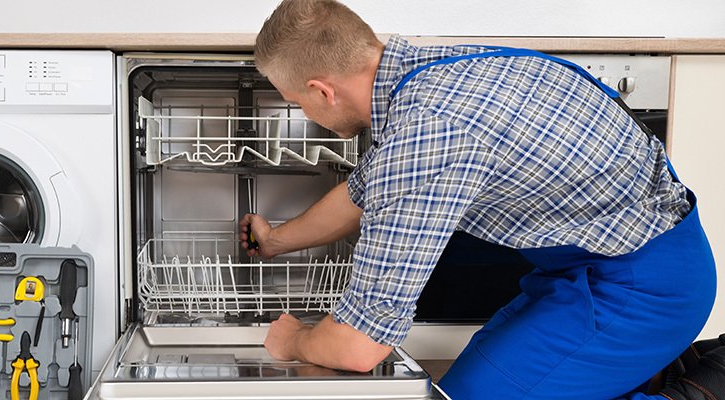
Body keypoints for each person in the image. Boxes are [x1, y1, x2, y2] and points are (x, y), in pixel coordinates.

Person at [239, 0, 724, 398]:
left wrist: (294, 341)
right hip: (589, 267)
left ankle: (702, 386)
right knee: (463, 388)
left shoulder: (427, 136)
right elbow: (363, 192)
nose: (303, 112)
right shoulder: (432, 72)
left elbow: (360, 347)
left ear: (322, 91)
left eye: (295, 102)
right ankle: (645, 368)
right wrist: (277, 240)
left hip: (642, 288)